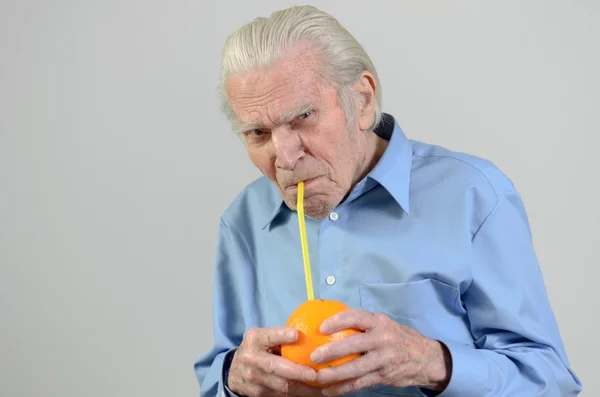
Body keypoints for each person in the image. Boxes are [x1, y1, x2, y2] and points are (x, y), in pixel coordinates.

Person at [194, 5, 582, 397]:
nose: (285, 156)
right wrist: (232, 377)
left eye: (303, 117)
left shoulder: (475, 195)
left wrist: (431, 363)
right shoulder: (243, 219)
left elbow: (549, 379)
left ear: (361, 101)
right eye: (259, 132)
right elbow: (218, 373)